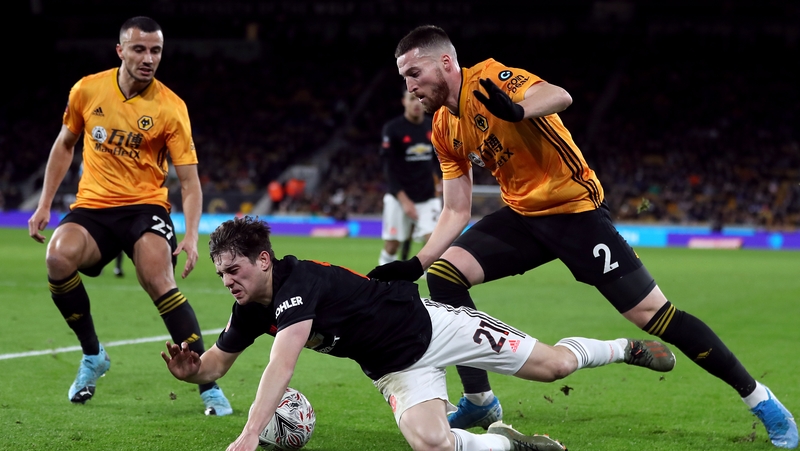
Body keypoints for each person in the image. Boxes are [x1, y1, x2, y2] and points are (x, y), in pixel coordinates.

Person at [366, 25, 797, 449]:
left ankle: (761, 398)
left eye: (414, 73)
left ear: (445, 62)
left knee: (656, 315)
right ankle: (480, 400)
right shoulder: (443, 127)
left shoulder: (489, 79)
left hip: (575, 214)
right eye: (404, 78)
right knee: (444, 275)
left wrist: (518, 110)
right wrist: (415, 264)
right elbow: (457, 208)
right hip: (523, 217)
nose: (410, 85)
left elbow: (558, 95)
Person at [161, 216, 676, 451]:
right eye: (222, 274)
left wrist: (250, 435)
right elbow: (215, 365)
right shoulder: (251, 306)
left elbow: (283, 362)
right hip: (394, 368)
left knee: (555, 367)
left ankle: (621, 347)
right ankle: (509, 444)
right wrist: (192, 373)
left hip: (436, 327)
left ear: (264, 260)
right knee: (429, 443)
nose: (229, 281)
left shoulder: (300, 282)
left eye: (235, 270)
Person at [26, 16, 232, 416]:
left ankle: (208, 384)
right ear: (120, 50)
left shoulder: (171, 108)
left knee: (158, 276)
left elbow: (189, 182)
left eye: (155, 50)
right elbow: (64, 144)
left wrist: (190, 236)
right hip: (94, 207)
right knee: (56, 257)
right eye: (139, 49)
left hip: (145, 207)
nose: (148, 58)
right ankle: (93, 356)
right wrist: (44, 203)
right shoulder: (87, 89)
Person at [378, 89, 442, 267]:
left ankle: (435, 293)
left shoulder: (433, 126)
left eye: (419, 99)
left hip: (427, 196)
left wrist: (443, 180)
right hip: (399, 197)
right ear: (404, 102)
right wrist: (404, 200)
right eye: (411, 99)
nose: (416, 103)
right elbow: (388, 169)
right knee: (392, 245)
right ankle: (380, 286)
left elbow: (441, 159)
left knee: (435, 245)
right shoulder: (393, 129)